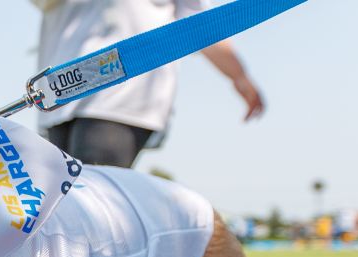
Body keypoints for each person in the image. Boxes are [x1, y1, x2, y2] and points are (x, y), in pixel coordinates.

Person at [32, 0, 265, 168]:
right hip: (60, 94)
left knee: (93, 200)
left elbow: (198, 25)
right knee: (64, 207)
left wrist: (239, 75)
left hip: (121, 93)